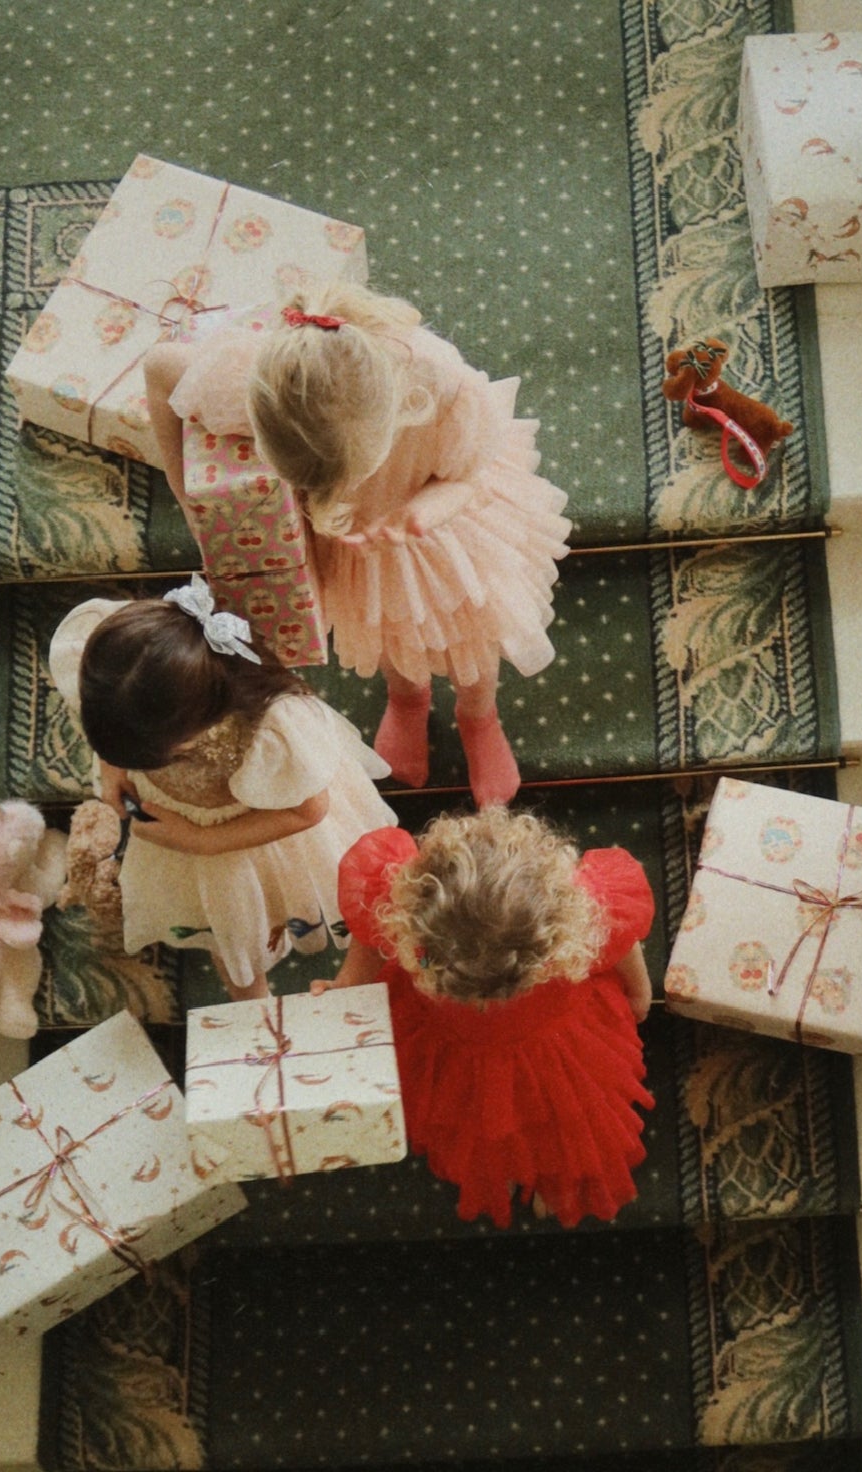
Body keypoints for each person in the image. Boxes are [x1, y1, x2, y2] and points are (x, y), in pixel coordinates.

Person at [142, 283, 572, 809]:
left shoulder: (444, 386)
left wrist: (425, 510)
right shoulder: (262, 380)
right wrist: (186, 497)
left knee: (470, 638)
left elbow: (467, 476)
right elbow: (161, 369)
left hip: (442, 535)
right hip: (355, 551)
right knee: (386, 632)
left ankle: (478, 715)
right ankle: (407, 699)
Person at [48, 576, 397, 1000]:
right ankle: (251, 1003)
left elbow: (307, 810)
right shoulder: (123, 666)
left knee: (265, 908)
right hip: (189, 840)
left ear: (202, 722)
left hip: (258, 833)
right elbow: (104, 712)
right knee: (224, 928)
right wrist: (113, 767)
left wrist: (202, 839)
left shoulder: (271, 728)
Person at [315, 807, 655, 1228]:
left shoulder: (574, 919)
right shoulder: (413, 920)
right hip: (460, 1047)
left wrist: (639, 990)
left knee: (560, 1120)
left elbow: (619, 938)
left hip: (550, 1051)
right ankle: (500, 1167)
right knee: (477, 1125)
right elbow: (373, 937)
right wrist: (347, 984)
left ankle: (553, 1175)